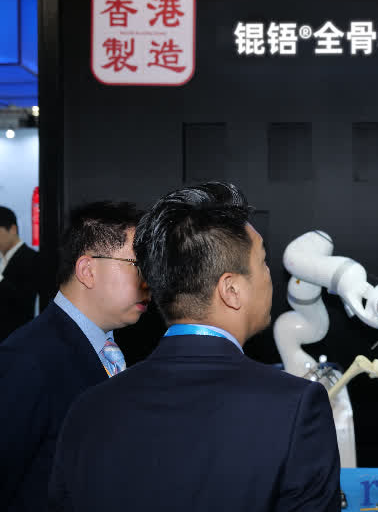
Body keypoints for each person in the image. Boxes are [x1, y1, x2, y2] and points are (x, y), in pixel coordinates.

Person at [49, 181, 341, 512]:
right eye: (262, 262)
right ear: (231, 290)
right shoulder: (295, 408)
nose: (269, 277)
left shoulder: (88, 409)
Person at [0, 201, 148, 511]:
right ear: (87, 271)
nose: (149, 281)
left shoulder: (116, 347)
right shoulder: (27, 359)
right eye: (137, 265)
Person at [0, 206, 40, 341]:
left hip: (16, 339)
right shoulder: (2, 260)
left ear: (12, 229)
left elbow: (24, 302)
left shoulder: (32, 258)